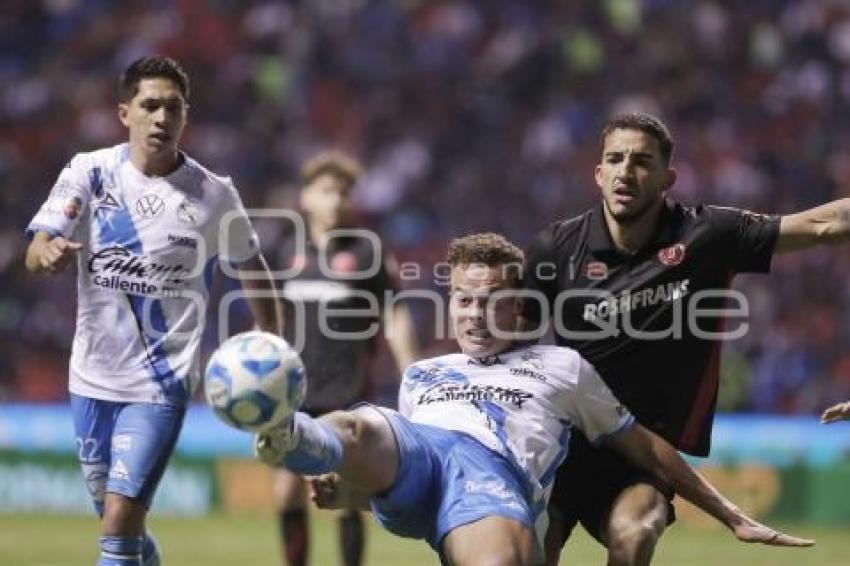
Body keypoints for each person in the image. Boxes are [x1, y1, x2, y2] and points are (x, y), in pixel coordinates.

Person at [254, 232, 812, 566]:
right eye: (464, 301)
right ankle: (298, 437)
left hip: (491, 476)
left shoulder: (561, 367)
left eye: (490, 301)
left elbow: (644, 446)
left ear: (519, 308)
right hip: (419, 447)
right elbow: (407, 475)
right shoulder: (424, 373)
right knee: (357, 426)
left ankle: (311, 441)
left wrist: (729, 513)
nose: (474, 314)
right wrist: (346, 488)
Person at [522, 111, 850, 565]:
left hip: (645, 457)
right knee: (532, 549)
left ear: (667, 178)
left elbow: (824, 225)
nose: (625, 171)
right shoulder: (556, 248)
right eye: (614, 159)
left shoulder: (707, 234)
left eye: (641, 161)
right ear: (597, 174)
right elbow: (510, 346)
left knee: (634, 537)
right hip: (559, 445)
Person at [24, 56, 282, 566]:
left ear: (186, 116)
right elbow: (37, 245)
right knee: (118, 521)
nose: (162, 118)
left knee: (120, 520)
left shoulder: (213, 194)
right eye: (150, 106)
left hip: (161, 385)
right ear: (125, 113)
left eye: (174, 107)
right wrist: (46, 252)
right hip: (89, 377)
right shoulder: (90, 173)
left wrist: (268, 344)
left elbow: (253, 268)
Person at [269, 150, 418, 566]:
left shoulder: (368, 253)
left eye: (344, 193)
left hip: (348, 391)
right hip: (294, 391)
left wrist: (411, 371)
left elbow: (395, 313)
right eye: (327, 191)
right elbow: (272, 319)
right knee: (286, 490)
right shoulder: (286, 252)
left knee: (345, 495)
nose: (336, 200)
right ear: (306, 198)